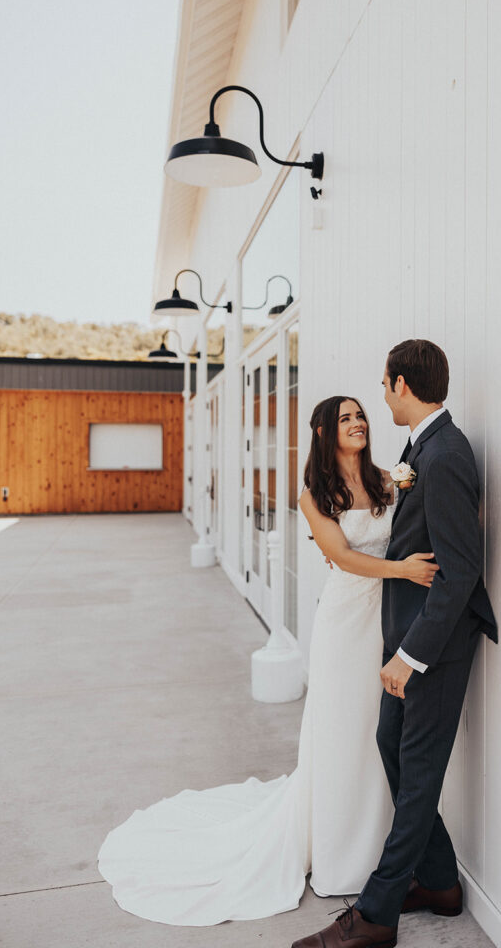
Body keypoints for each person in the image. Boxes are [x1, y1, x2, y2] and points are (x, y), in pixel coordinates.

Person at [97, 394, 438, 926]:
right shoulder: (313, 495)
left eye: (361, 415)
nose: (358, 423)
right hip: (346, 624)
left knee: (380, 734)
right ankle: (339, 854)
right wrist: (405, 571)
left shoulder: (389, 480)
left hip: (389, 621)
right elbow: (345, 557)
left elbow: (403, 532)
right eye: (345, 418)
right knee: (341, 730)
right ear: (325, 432)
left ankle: (380, 848)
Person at [292, 340, 498, 948]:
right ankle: (437, 881)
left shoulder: (443, 455)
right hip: (391, 632)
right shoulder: (419, 450)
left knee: (418, 771)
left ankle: (378, 912)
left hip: (430, 645)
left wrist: (410, 657)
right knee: (391, 744)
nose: (376, 403)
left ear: (402, 384)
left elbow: (459, 571)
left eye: (381, 389)